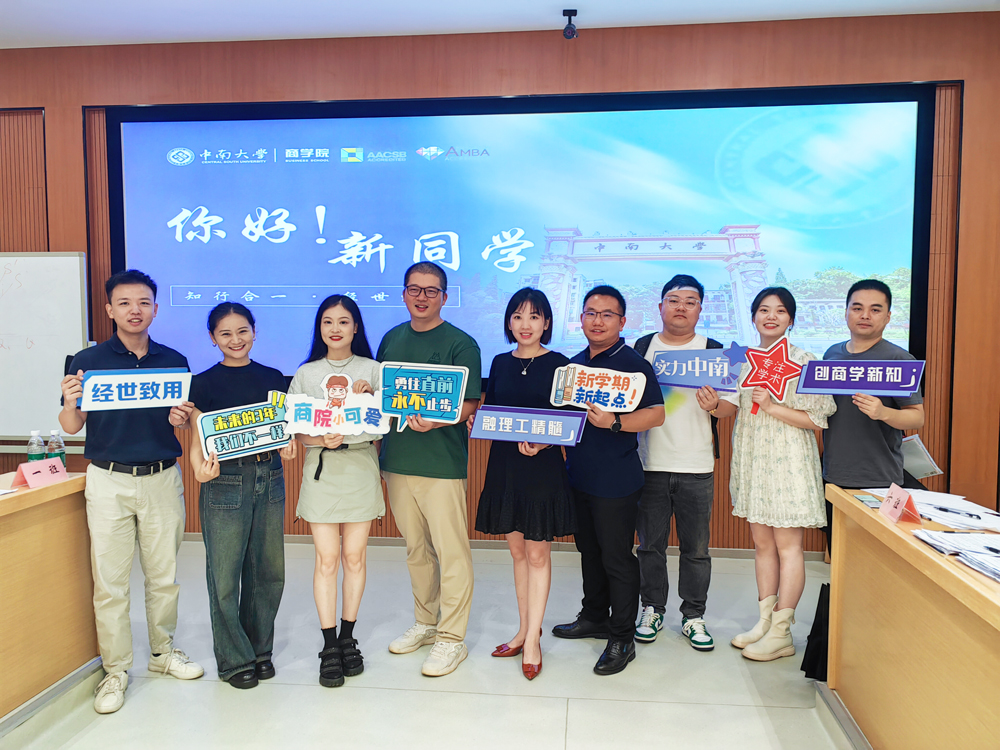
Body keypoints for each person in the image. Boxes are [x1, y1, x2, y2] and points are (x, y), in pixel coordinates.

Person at [58, 269, 204, 715]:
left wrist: (181, 419)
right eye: (124, 303)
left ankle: (162, 653)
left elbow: (181, 422)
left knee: (163, 577)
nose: (134, 310)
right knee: (110, 582)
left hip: (161, 477)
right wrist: (70, 403)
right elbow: (71, 426)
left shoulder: (173, 360)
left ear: (155, 309)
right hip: (108, 480)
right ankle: (116, 669)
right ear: (110, 309)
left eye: (143, 302)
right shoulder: (87, 360)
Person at [699, 287, 835, 662]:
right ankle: (764, 622)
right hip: (754, 460)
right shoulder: (742, 361)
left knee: (789, 547)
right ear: (753, 317)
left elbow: (817, 419)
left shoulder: (805, 360)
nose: (771, 316)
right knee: (762, 546)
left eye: (779, 311)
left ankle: (782, 632)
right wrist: (713, 405)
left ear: (791, 319)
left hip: (789, 462)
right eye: (763, 310)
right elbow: (729, 408)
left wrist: (773, 407)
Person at [552, 285, 664, 676]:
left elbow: (656, 414)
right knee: (589, 550)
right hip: (579, 474)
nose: (597, 321)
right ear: (581, 318)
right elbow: (563, 418)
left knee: (617, 558)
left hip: (616, 479)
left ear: (622, 321)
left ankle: (622, 637)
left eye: (607, 314)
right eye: (590, 313)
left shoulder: (633, 365)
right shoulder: (574, 366)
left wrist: (615, 422)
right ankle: (594, 616)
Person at [377, 261, 482, 677]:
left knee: (451, 552)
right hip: (397, 460)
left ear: (444, 296)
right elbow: (383, 395)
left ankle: (452, 638)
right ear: (404, 294)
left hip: (441, 465)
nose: (422, 297)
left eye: (431, 290)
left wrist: (439, 420)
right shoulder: (391, 339)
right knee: (416, 549)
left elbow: (469, 403)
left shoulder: (461, 343)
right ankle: (426, 622)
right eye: (414, 289)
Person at [472, 288, 575, 680]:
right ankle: (522, 629)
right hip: (505, 467)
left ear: (546, 322)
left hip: (542, 468)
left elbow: (573, 420)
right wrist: (478, 419)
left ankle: (533, 639)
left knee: (537, 555)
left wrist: (546, 441)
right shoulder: (499, 362)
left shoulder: (561, 365)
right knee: (517, 553)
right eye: (517, 316)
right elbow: (494, 411)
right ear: (509, 322)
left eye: (534, 316)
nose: (525, 324)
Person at [283, 294, 385, 688]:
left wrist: (368, 397)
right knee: (326, 560)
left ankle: (348, 637)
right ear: (319, 328)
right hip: (321, 472)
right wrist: (318, 438)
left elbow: (383, 424)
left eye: (344, 321)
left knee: (354, 558)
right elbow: (295, 427)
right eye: (328, 322)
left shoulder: (373, 370)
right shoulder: (306, 373)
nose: (336, 329)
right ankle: (328, 645)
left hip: (360, 468)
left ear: (356, 327)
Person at [187, 303, 286, 690]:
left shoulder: (273, 378)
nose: (235, 339)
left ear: (254, 332)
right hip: (224, 479)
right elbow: (197, 439)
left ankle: (260, 651)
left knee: (268, 571)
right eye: (225, 333)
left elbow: (284, 430)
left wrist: (290, 445)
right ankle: (234, 660)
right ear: (213, 338)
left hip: (269, 475)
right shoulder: (202, 383)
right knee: (225, 574)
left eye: (242, 331)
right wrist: (198, 469)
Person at [632, 275, 723, 651]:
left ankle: (693, 615)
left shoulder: (714, 351)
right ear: (660, 307)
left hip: (697, 465)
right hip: (649, 462)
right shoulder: (641, 348)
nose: (681, 307)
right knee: (649, 546)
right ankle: (651, 609)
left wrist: (715, 405)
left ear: (700, 309)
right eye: (673, 300)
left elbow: (729, 409)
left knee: (696, 549)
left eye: (690, 301)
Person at [822, 279, 925, 537]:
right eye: (857, 308)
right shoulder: (831, 355)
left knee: (875, 552)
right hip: (834, 473)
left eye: (875, 309)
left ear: (888, 316)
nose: (865, 315)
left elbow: (916, 418)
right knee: (838, 547)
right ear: (846, 312)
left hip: (880, 477)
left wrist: (883, 413)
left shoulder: (899, 359)